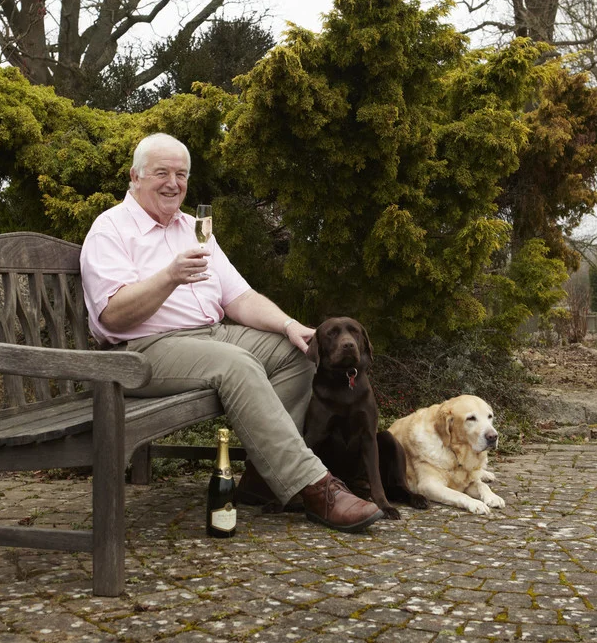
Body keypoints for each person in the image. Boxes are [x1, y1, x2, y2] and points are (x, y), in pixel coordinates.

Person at [79, 133, 382, 533]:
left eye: (181, 174)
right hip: (142, 349)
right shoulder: (111, 230)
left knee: (299, 353)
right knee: (237, 365)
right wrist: (169, 277)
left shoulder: (194, 227)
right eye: (161, 173)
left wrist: (291, 326)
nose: (173, 183)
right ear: (135, 177)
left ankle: (262, 481)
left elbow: (240, 296)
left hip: (210, 334)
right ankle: (314, 487)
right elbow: (114, 316)